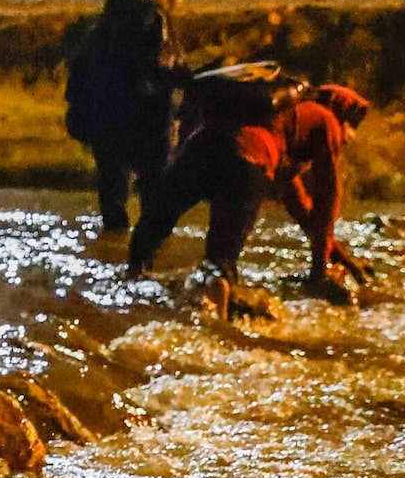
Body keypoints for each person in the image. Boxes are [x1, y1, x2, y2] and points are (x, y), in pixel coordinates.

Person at [127, 80, 372, 313]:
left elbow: (302, 209)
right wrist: (319, 271)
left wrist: (339, 256)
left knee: (151, 229)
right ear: (341, 110)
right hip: (246, 161)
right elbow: (327, 198)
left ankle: (130, 296)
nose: (351, 136)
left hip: (200, 148)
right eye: (353, 124)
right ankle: (214, 336)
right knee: (219, 262)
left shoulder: (284, 117)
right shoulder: (326, 120)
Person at [63, 0, 190, 235]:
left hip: (104, 121)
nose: (181, 2)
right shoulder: (156, 18)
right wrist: (189, 80)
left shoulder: (105, 23)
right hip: (149, 121)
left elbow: (80, 70)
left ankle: (113, 247)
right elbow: (160, 67)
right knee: (154, 192)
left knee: (112, 192)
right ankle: (145, 258)